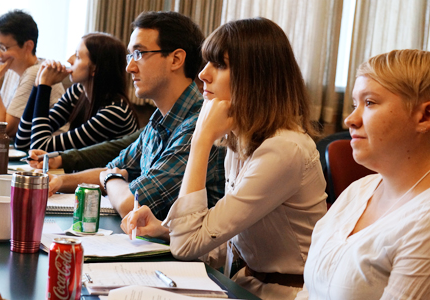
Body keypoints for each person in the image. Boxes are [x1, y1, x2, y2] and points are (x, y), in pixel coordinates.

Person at [121, 18, 327, 300]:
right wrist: (166, 229)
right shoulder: (242, 141)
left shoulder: (284, 149)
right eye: (207, 63)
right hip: (245, 285)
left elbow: (188, 246)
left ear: (255, 77)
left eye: (219, 65)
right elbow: (225, 239)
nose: (203, 74)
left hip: (284, 295)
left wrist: (201, 139)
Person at [46, 11, 225, 220]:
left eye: (139, 54)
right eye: (130, 56)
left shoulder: (199, 125)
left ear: (176, 59)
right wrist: (60, 182)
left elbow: (131, 204)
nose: (130, 67)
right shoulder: (159, 119)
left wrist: (110, 177)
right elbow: (113, 168)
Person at [295, 49, 430, 300]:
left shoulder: (424, 223)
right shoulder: (359, 190)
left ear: (424, 116)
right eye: (354, 104)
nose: (350, 119)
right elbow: (309, 292)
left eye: (369, 103)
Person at [14, 32, 139, 151]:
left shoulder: (115, 113)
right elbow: (22, 142)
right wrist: (38, 85)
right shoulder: (78, 91)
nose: (69, 60)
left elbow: (39, 147)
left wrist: (44, 87)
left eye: (78, 57)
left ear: (95, 68)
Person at [0, 9, 64, 137]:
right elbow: (2, 115)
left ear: (28, 46)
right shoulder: (13, 69)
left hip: (46, 151)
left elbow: (5, 129)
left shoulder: (35, 73)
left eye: (3, 48)